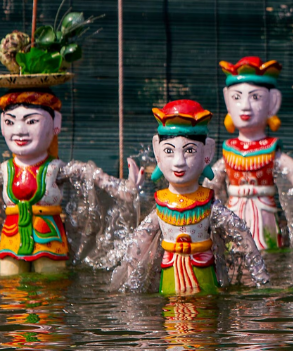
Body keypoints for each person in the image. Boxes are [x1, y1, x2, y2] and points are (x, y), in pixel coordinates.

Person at [0, 89, 143, 275]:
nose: (19, 130)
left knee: (50, 288)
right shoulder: (2, 170)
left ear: (56, 124)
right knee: (11, 288)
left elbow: (93, 177)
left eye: (31, 122)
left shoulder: (57, 169)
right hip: (12, 238)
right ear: (1, 126)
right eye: (10, 122)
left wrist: (127, 189)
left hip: (49, 238)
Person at [112, 99, 269, 296]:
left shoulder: (209, 205)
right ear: (157, 152)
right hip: (169, 278)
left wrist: (261, 278)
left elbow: (241, 234)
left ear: (207, 153)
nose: (179, 162)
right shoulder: (161, 206)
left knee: (205, 310)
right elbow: (139, 243)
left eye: (189, 151)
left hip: (204, 276)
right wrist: (131, 286)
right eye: (169, 151)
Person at [206, 57, 293, 250]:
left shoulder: (272, 152)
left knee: (267, 254)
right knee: (234, 253)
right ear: (227, 101)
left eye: (255, 97)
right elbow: (210, 185)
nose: (245, 106)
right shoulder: (229, 150)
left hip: (264, 216)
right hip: (234, 214)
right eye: (237, 97)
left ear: (273, 102)